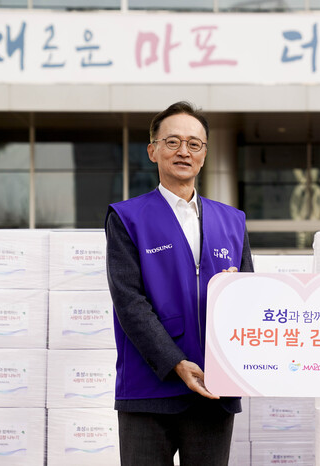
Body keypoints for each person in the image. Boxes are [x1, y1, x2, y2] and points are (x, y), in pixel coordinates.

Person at [105, 101, 253, 466]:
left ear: (204, 154)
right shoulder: (127, 217)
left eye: (194, 143)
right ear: (152, 150)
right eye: (172, 142)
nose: (184, 151)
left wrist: (237, 294)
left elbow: (250, 299)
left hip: (214, 388)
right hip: (148, 388)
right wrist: (175, 362)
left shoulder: (233, 221)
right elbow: (129, 302)